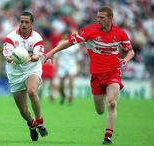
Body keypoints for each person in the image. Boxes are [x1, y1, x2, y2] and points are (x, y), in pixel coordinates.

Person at [44, 6, 135, 145]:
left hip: (113, 73)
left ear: (110, 18)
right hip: (96, 75)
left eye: (101, 18)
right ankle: (103, 98)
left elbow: (131, 51)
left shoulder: (120, 33)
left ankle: (107, 137)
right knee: (100, 110)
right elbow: (68, 42)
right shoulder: (89, 31)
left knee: (112, 103)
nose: (98, 20)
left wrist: (126, 60)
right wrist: (52, 52)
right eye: (97, 17)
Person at [2, 11, 48, 141]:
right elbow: (7, 56)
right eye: (21, 21)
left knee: (32, 92)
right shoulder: (10, 37)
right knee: (23, 111)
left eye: (26, 22)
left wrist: (25, 59)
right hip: (15, 73)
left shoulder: (37, 38)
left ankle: (40, 122)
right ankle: (31, 124)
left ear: (32, 24)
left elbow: (36, 56)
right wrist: (12, 59)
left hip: (32, 69)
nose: (23, 24)